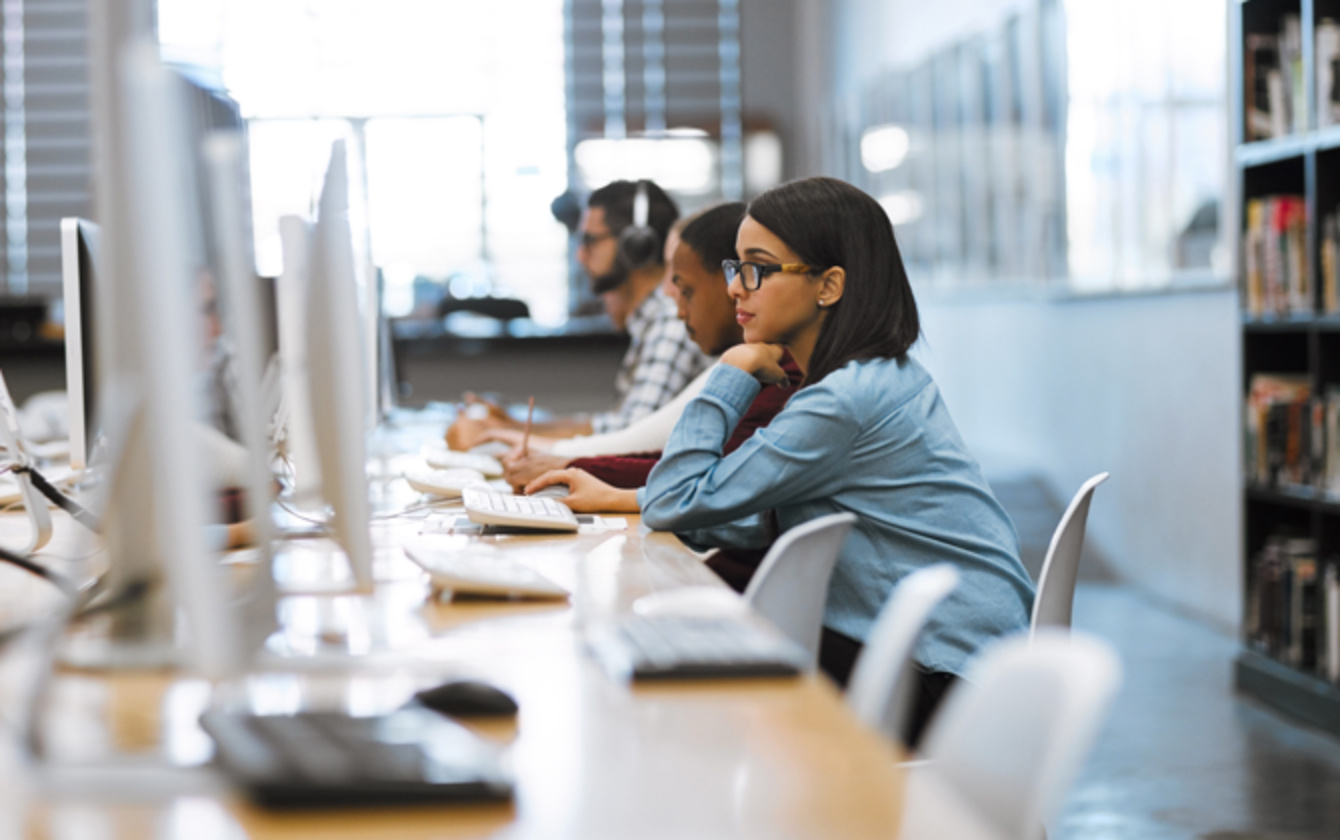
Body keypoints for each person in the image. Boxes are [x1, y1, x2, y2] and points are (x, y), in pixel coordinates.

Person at [634, 177, 1036, 747]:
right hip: (964, 660)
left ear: (829, 285)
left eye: (758, 269)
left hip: (945, 679)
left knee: (702, 697)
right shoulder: (871, 379)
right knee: (706, 660)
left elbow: (675, 500)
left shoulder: (843, 401)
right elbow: (734, 510)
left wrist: (732, 371)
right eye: (735, 268)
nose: (735, 290)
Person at [512, 202, 801, 510]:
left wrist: (573, 468)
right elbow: (686, 469)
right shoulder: (764, 362)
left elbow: (699, 485)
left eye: (755, 272)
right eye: (736, 272)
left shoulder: (785, 376)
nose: (668, 296)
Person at [447, 180, 709, 448]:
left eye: (590, 240)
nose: (580, 256)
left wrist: (502, 435)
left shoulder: (670, 323)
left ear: (635, 246)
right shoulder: (652, 322)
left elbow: (629, 439)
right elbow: (616, 424)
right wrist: (512, 426)